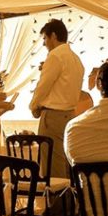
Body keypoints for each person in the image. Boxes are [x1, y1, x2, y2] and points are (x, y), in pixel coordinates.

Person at [29, 18, 84, 178]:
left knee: (52, 167)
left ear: (53, 36)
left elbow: (43, 86)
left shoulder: (55, 56)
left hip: (53, 117)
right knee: (65, 164)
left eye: (45, 38)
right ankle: (67, 202)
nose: (44, 43)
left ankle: (56, 203)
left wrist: (34, 106)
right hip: (70, 116)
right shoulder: (76, 59)